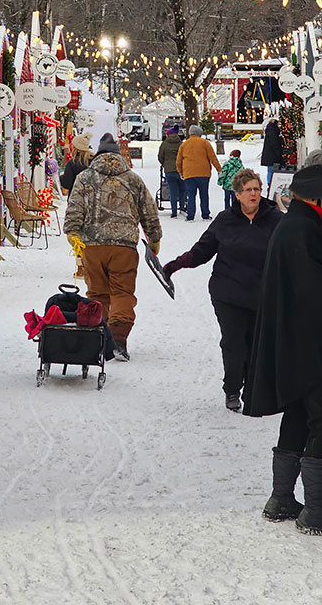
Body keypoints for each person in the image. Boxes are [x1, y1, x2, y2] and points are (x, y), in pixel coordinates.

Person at [243, 165, 322, 534]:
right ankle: (317, 512)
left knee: (297, 414)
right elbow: (313, 295)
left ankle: (281, 499)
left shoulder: (291, 226)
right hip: (311, 344)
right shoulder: (306, 230)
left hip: (292, 344)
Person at [163, 169, 282, 411]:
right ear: (237, 194)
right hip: (228, 293)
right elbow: (202, 250)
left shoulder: (276, 220)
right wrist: (176, 264)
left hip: (263, 294)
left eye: (257, 189)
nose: (253, 194)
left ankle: (253, 388)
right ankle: (232, 389)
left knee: (256, 344)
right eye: (248, 190)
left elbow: (288, 253)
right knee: (233, 343)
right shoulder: (225, 220)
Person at [63, 132, 162, 361]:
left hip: (93, 246)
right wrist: (154, 238)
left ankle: (100, 338)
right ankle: (118, 340)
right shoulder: (133, 179)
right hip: (124, 247)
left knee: (97, 293)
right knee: (122, 293)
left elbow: (75, 207)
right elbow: (149, 211)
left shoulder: (85, 178)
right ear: (119, 156)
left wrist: (73, 233)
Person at [176, 125, 222, 221]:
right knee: (204, 195)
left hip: (188, 174)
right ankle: (205, 215)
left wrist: (180, 172)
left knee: (191, 195)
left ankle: (190, 216)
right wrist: (219, 169)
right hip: (203, 173)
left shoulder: (184, 145)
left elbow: (179, 161)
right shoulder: (205, 143)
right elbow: (212, 157)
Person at [157, 125, 186, 217]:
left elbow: (160, 156)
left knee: (172, 191)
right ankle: (182, 208)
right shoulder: (181, 144)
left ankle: (174, 212)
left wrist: (165, 164)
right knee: (182, 189)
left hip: (169, 171)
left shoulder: (164, 144)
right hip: (181, 170)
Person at [60, 132, 93, 198]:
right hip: (91, 199)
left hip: (76, 200)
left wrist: (62, 176)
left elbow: (66, 184)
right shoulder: (94, 161)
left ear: (76, 148)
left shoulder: (73, 163)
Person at [261, 118, 283, 190]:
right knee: (272, 170)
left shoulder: (269, 130)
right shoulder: (273, 131)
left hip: (269, 155)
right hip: (272, 155)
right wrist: (279, 152)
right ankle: (270, 183)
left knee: (270, 170)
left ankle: (269, 182)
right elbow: (274, 143)